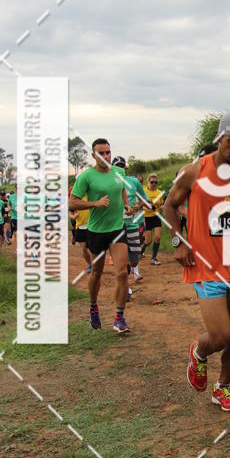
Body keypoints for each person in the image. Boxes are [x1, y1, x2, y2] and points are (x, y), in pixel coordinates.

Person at [164, 112, 230, 412]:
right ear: (219, 138)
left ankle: (222, 387)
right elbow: (170, 206)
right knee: (221, 336)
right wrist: (178, 241)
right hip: (206, 266)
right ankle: (199, 353)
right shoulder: (193, 172)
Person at [69, 138, 132, 333]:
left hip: (117, 228)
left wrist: (126, 204)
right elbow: (72, 202)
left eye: (108, 152)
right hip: (96, 232)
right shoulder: (86, 177)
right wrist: (95, 204)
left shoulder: (120, 172)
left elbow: (121, 189)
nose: (105, 156)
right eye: (101, 153)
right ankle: (93, 307)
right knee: (96, 272)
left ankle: (119, 317)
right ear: (93, 155)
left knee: (122, 272)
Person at [112, 156, 145, 294]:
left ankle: (132, 268)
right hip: (116, 226)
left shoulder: (134, 182)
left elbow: (144, 199)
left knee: (135, 258)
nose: (120, 168)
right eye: (117, 166)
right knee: (122, 261)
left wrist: (138, 206)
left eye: (122, 166)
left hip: (132, 225)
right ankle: (125, 289)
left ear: (125, 168)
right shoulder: (110, 182)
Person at [143, 173, 164, 265]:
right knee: (148, 241)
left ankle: (153, 258)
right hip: (146, 218)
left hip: (156, 217)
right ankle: (139, 253)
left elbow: (161, 205)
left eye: (156, 182)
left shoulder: (159, 193)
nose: (154, 184)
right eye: (152, 182)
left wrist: (165, 207)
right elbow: (140, 204)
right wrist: (146, 208)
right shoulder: (144, 192)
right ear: (148, 182)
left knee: (157, 237)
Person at [72, 190, 92, 274]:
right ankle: (91, 265)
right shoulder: (75, 198)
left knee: (92, 248)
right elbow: (70, 212)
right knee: (84, 249)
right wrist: (73, 216)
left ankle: (96, 265)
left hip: (91, 226)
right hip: (80, 227)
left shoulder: (91, 195)